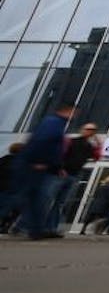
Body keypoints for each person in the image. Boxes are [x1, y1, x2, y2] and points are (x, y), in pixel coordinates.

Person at [15, 103, 77, 240]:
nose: (75, 116)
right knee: (28, 197)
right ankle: (30, 228)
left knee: (36, 198)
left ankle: (35, 230)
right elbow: (42, 141)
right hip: (36, 166)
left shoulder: (56, 123)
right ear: (68, 111)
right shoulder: (54, 123)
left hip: (42, 165)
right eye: (73, 112)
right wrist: (38, 161)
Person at [46, 121, 102, 235]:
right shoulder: (72, 141)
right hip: (62, 173)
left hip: (73, 174)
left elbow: (97, 157)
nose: (90, 132)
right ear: (82, 130)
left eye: (93, 130)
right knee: (48, 200)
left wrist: (98, 144)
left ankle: (51, 228)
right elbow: (61, 154)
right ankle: (32, 226)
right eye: (88, 129)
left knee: (60, 202)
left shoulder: (89, 146)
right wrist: (60, 168)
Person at [0, 141, 24, 231]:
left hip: (3, 188)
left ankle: (4, 225)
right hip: (13, 189)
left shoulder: (3, 159)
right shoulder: (22, 162)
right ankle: (5, 225)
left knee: (5, 208)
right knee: (15, 209)